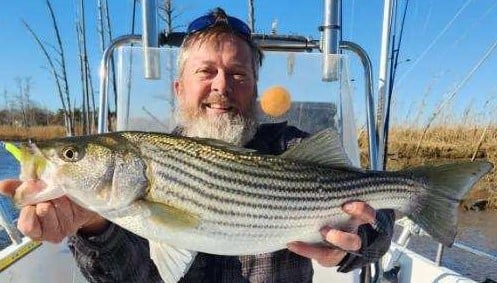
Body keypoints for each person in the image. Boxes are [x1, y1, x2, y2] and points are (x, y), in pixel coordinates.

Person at [0, 8, 394, 283]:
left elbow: (380, 214)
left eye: (238, 74)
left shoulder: (291, 146)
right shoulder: (144, 172)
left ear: (255, 91)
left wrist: (358, 243)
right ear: (179, 88)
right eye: (206, 72)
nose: (222, 86)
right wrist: (94, 226)